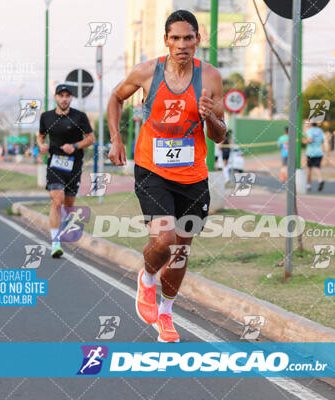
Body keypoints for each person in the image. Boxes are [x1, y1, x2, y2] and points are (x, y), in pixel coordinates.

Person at [106, 10, 226, 342]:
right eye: (176, 38)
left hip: (193, 174)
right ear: (166, 40)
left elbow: (220, 135)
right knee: (164, 240)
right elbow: (116, 98)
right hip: (152, 168)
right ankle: (146, 280)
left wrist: (210, 118)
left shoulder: (211, 78)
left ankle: (166, 312)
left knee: (181, 249)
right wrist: (116, 139)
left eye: (189, 38)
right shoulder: (147, 72)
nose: (182, 44)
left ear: (198, 40)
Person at [37, 84, 95, 258]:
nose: (64, 99)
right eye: (61, 95)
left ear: (71, 98)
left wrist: (75, 146)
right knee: (57, 200)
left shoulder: (80, 117)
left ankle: (63, 225)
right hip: (55, 163)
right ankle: (55, 243)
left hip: (74, 165)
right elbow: (40, 136)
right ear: (55, 97)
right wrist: (42, 145)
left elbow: (91, 139)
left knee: (68, 204)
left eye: (67, 96)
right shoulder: (46, 117)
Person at [303, 122, 325, 191]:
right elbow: (322, 140)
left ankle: (308, 185)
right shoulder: (320, 130)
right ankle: (320, 180)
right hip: (319, 152)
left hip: (311, 152)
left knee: (309, 169)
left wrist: (304, 142)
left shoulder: (310, 130)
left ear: (311, 124)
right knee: (317, 167)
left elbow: (310, 139)